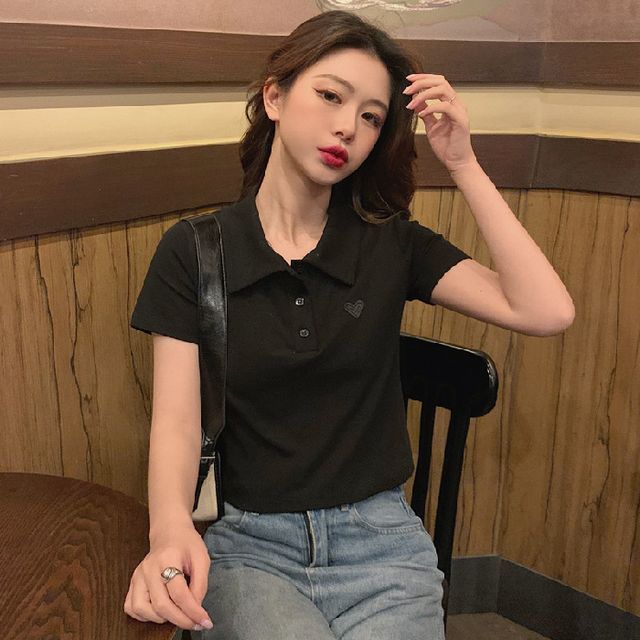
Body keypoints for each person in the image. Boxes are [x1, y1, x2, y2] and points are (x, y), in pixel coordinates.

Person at [123, 9, 574, 640]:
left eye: (371, 117)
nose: (347, 128)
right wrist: (168, 531)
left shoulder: (391, 243)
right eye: (331, 96)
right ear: (274, 98)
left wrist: (463, 163)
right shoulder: (195, 251)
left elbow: (546, 310)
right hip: (252, 547)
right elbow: (176, 421)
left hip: (382, 545)